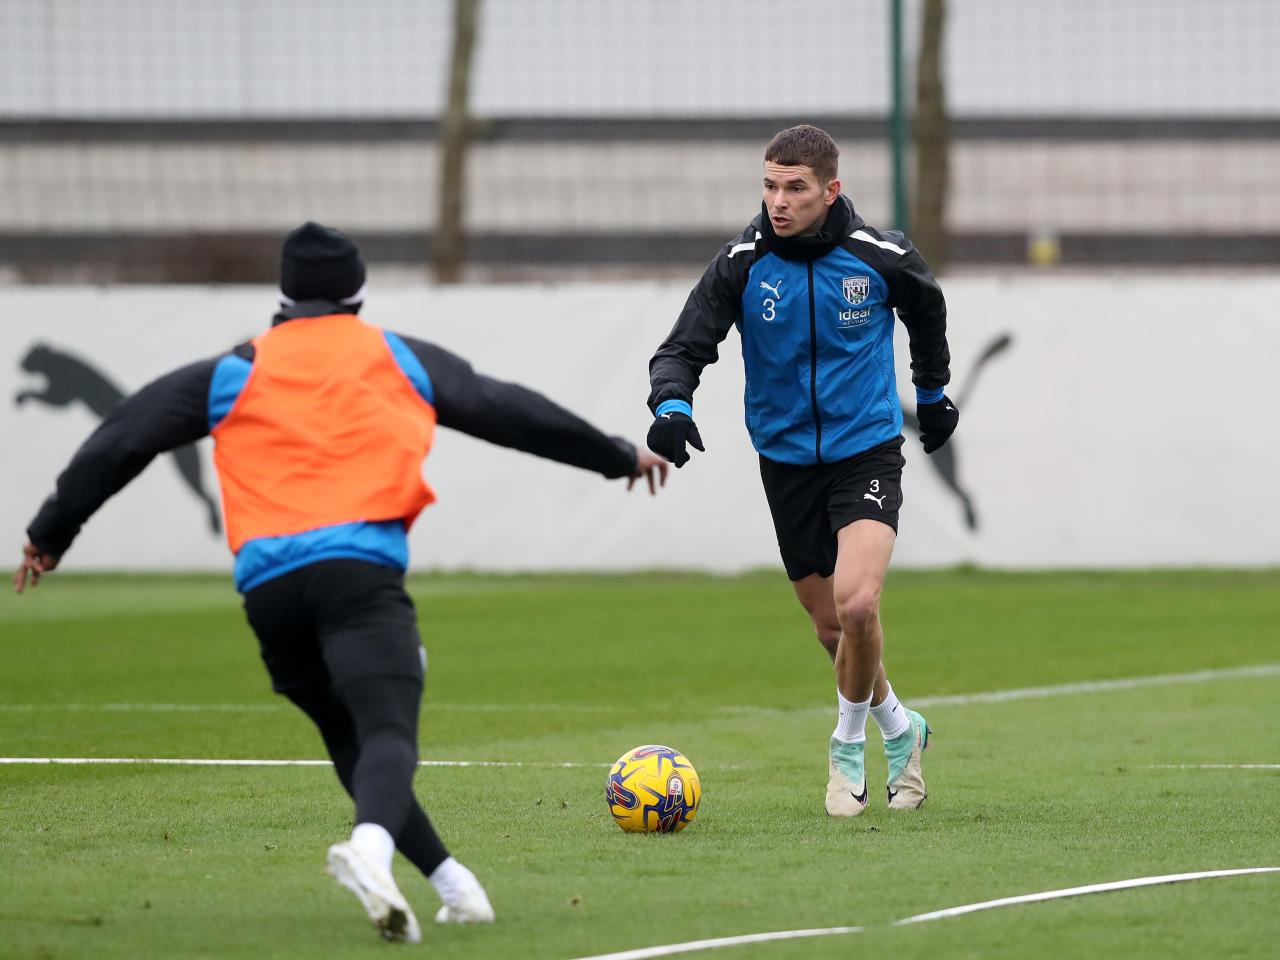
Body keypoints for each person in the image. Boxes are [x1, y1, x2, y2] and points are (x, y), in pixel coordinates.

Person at [14, 222, 669, 943]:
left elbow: (120, 436)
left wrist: (50, 533)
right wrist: (615, 457)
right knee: (388, 727)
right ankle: (368, 850)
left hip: (268, 592)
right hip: (356, 576)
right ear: (358, 291)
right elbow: (506, 409)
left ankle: (457, 887)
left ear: (284, 294)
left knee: (353, 741)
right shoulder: (394, 355)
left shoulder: (233, 368)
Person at [645, 125, 956, 818]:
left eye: (795, 188)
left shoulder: (878, 256)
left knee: (858, 603)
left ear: (830, 190)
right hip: (785, 463)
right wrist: (671, 404)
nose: (778, 202)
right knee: (831, 630)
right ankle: (903, 729)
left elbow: (927, 310)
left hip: (865, 450)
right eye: (769, 186)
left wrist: (932, 395)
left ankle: (846, 748)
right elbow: (684, 345)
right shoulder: (743, 262)